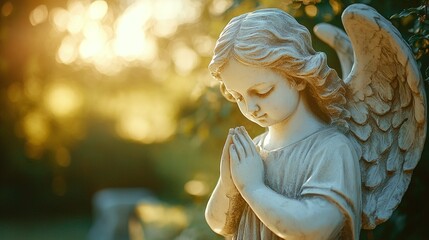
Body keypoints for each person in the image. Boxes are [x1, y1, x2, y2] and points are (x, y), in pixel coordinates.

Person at [205, 8, 362, 240]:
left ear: (297, 77)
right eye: (238, 97)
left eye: (262, 91)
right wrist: (228, 181)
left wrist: (253, 188)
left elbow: (314, 228)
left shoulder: (332, 149)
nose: (250, 107)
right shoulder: (255, 150)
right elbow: (220, 224)